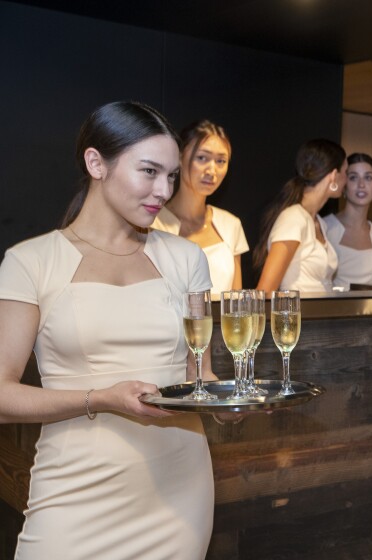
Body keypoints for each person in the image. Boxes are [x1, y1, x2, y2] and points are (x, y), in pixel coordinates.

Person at [0, 101, 214, 558]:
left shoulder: (187, 260)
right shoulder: (31, 262)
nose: (164, 189)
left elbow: (203, 378)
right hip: (74, 489)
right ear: (96, 163)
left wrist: (234, 404)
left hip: (178, 489)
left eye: (172, 175)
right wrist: (100, 398)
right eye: (150, 171)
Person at [152, 120, 248, 294]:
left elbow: (237, 303)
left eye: (221, 161)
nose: (212, 171)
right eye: (202, 158)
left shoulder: (230, 224)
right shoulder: (153, 223)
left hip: (221, 321)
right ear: (180, 157)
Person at [254, 139, 347, 293]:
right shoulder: (293, 218)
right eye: (346, 173)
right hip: (297, 315)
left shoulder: (319, 223)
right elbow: (265, 291)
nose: (346, 181)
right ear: (334, 176)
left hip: (321, 314)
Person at [323, 153, 372, 289]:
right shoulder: (324, 227)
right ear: (343, 184)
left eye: (368, 178)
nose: (361, 184)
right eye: (353, 177)